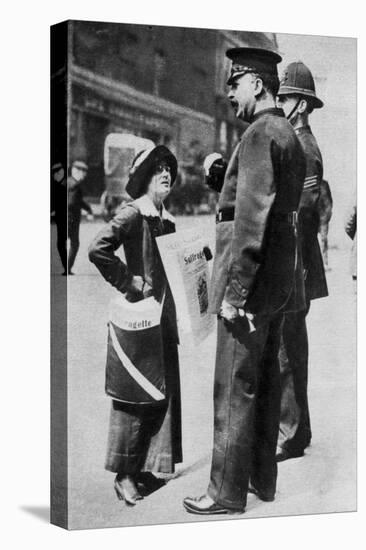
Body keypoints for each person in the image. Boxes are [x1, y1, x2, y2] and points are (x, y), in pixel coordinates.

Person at [183, 47, 306, 515]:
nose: (230, 94)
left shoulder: (258, 133)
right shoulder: (288, 135)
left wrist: (234, 293)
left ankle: (223, 492)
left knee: (233, 386)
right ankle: (261, 481)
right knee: (267, 383)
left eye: (234, 84)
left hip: (248, 286)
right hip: (276, 285)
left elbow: (252, 219)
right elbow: (276, 212)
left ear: (256, 83)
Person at [88, 145, 182, 506]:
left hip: (164, 321)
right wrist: (131, 283)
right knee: (133, 395)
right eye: (158, 169)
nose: (165, 175)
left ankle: (143, 468)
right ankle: (124, 475)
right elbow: (99, 249)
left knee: (159, 393)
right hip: (139, 319)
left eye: (169, 170)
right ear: (144, 177)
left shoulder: (167, 219)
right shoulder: (133, 214)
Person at [276, 61, 328, 461]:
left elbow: (303, 213)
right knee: (293, 344)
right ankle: (300, 429)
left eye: (287, 97)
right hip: (297, 263)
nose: (281, 101)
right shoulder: (296, 141)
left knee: (287, 347)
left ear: (303, 106)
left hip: (295, 263)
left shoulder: (303, 147)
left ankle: (290, 433)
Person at [68, 159, 93, 275]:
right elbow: (73, 202)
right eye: (82, 172)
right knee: (74, 244)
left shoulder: (67, 181)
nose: (84, 175)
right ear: (75, 171)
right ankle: (67, 268)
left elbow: (77, 201)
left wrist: (88, 209)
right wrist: (87, 210)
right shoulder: (75, 185)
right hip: (71, 219)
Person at [51, 162, 67, 273]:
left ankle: (66, 268)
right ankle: (66, 268)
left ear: (60, 172)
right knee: (61, 243)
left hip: (64, 218)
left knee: (61, 243)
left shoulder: (63, 186)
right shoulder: (59, 185)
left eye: (55, 174)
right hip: (61, 218)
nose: (54, 176)